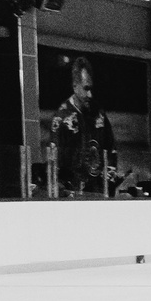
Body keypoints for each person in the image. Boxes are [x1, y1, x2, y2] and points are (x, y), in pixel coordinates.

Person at [49, 56, 116, 198]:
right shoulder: (62, 119)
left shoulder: (98, 113)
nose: (90, 94)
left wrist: (109, 179)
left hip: (99, 193)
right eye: (86, 89)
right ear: (75, 85)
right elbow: (55, 162)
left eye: (91, 88)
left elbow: (111, 148)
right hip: (73, 196)